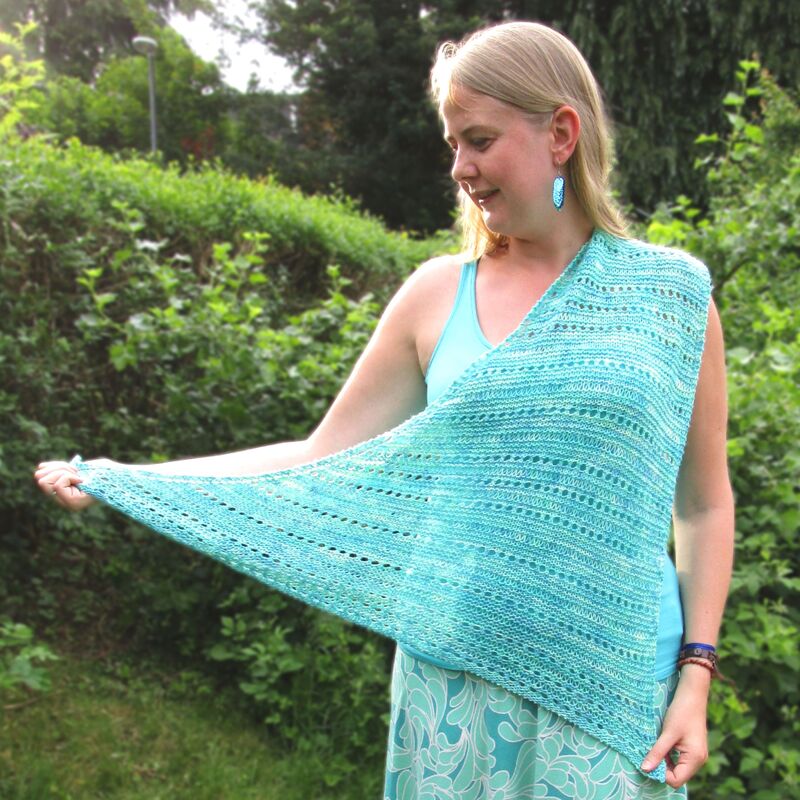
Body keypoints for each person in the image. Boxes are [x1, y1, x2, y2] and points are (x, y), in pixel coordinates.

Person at [35, 21, 734, 799]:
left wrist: (696, 676)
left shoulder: (670, 300)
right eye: (453, 145)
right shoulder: (435, 295)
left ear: (562, 134)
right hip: (453, 686)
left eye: (480, 140)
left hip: (614, 691)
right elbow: (318, 455)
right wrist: (130, 478)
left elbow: (703, 504)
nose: (460, 168)